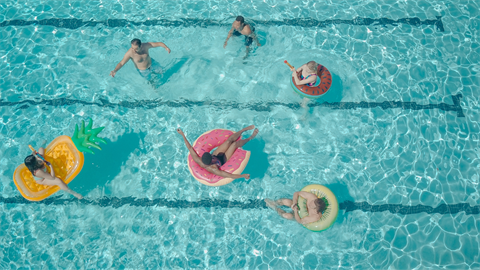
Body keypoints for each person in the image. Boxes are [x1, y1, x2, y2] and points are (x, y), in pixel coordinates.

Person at [177, 125, 259, 179]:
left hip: (218, 154)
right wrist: (242, 176)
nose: (212, 156)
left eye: (211, 155)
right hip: (223, 160)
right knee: (234, 144)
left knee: (228, 141)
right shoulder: (213, 169)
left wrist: (182, 135)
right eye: (212, 158)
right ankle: (250, 138)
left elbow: (190, 148)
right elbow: (229, 175)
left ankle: (243, 130)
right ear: (210, 162)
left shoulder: (199, 159)